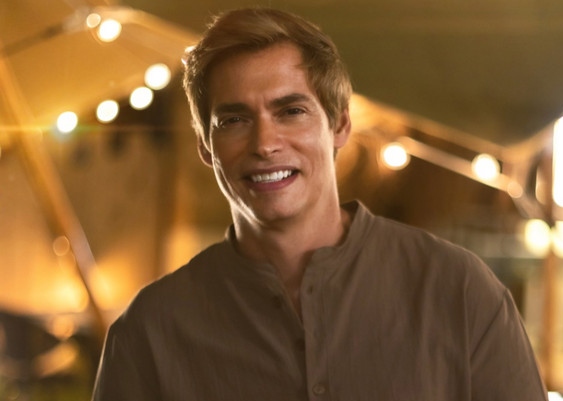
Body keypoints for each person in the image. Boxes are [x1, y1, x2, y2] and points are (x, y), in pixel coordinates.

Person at [92, 8, 548, 401]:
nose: (265, 143)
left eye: (291, 111)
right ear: (206, 147)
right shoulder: (148, 333)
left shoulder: (460, 292)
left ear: (340, 125)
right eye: (234, 120)